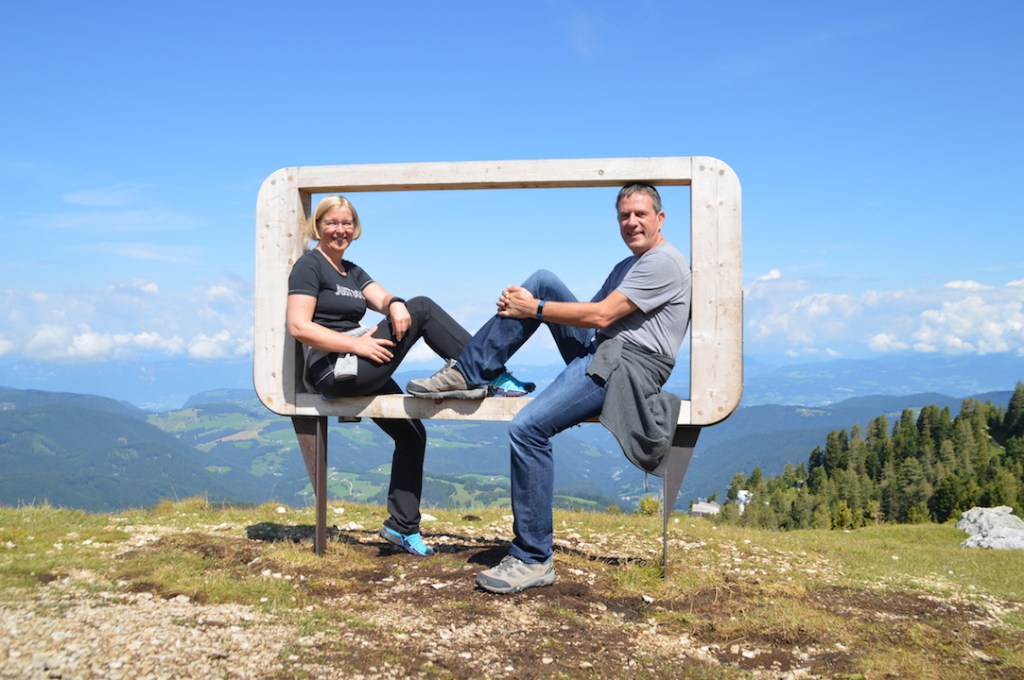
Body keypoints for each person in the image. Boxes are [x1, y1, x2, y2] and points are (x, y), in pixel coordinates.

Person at [407, 184, 691, 593]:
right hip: (604, 349)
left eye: (640, 214)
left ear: (659, 219)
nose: (631, 223)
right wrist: (528, 301)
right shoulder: (628, 264)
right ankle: (472, 371)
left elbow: (600, 315)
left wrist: (532, 309)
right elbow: (587, 319)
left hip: (626, 366)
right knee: (541, 280)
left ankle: (533, 557)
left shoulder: (663, 261)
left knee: (528, 429)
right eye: (624, 216)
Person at [286, 195, 534, 557]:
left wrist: (394, 303)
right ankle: (488, 371)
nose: (340, 230)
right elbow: (298, 326)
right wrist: (356, 345)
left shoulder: (352, 271)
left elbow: (382, 296)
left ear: (355, 230)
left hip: (360, 360)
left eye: (347, 223)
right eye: (331, 223)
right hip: (333, 367)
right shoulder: (310, 267)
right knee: (423, 309)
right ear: (318, 227)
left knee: (412, 433)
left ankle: (400, 527)